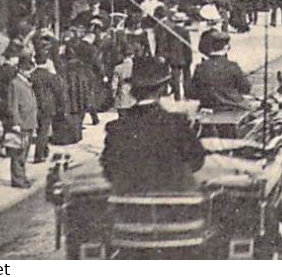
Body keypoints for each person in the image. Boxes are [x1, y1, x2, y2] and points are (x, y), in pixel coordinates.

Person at [100, 56, 207, 193]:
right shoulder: (177, 123)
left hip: (132, 204)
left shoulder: (116, 128)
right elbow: (197, 161)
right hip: (173, 200)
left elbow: (109, 169)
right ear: (163, 90)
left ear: (133, 91)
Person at [189, 29, 252, 111]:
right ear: (226, 48)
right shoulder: (233, 66)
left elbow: (193, 93)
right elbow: (246, 88)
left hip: (209, 108)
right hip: (232, 108)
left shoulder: (200, 67)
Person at [1, 48, 37, 189]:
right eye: (29, 70)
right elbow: (13, 105)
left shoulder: (25, 82)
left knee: (24, 152)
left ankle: (22, 176)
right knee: (18, 153)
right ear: (22, 70)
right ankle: (18, 179)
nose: (30, 73)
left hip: (28, 121)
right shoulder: (15, 84)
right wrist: (15, 122)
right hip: (21, 122)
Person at [27, 50, 68, 164]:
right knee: (44, 131)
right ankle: (39, 155)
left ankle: (44, 150)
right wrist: (62, 107)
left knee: (39, 129)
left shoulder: (31, 75)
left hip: (34, 105)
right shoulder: (51, 76)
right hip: (48, 106)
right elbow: (59, 92)